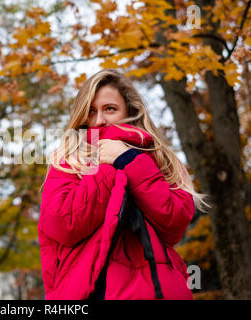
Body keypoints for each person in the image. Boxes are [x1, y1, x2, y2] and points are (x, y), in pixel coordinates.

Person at [38, 69, 210, 300]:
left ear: (129, 110)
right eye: (90, 111)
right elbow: (64, 225)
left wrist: (129, 160)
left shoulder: (158, 158)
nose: (99, 120)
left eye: (110, 109)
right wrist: (107, 163)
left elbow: (174, 222)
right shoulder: (67, 161)